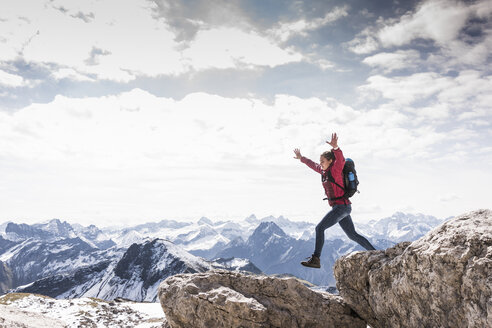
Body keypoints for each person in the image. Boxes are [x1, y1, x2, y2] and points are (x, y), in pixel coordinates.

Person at [293, 133, 375, 268]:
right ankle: (376, 252)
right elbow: (313, 165)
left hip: (341, 207)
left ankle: (316, 259)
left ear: (330, 161)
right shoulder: (324, 172)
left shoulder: (336, 170)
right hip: (341, 207)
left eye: (323, 161)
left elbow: (341, 160)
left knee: (319, 228)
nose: (320, 164)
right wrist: (301, 158)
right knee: (352, 235)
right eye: (320, 161)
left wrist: (336, 148)